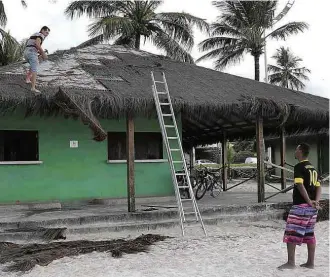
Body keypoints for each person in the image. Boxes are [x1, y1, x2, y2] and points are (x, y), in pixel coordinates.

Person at [279, 143, 322, 270]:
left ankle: (291, 263)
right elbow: (319, 186)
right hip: (312, 208)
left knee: (291, 232)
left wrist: (308, 200)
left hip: (301, 206)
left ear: (301, 151)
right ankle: (310, 263)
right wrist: (316, 202)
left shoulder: (299, 166)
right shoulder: (313, 168)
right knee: (309, 234)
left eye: (297, 149)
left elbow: (299, 185)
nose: (295, 151)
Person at [24, 26, 50, 94]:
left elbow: (32, 45)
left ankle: (27, 79)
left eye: (48, 33)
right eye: (46, 32)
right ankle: (33, 88)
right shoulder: (41, 35)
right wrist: (43, 53)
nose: (46, 34)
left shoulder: (35, 34)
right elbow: (37, 44)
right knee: (34, 69)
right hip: (31, 53)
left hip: (26, 53)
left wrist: (38, 52)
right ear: (42, 30)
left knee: (34, 65)